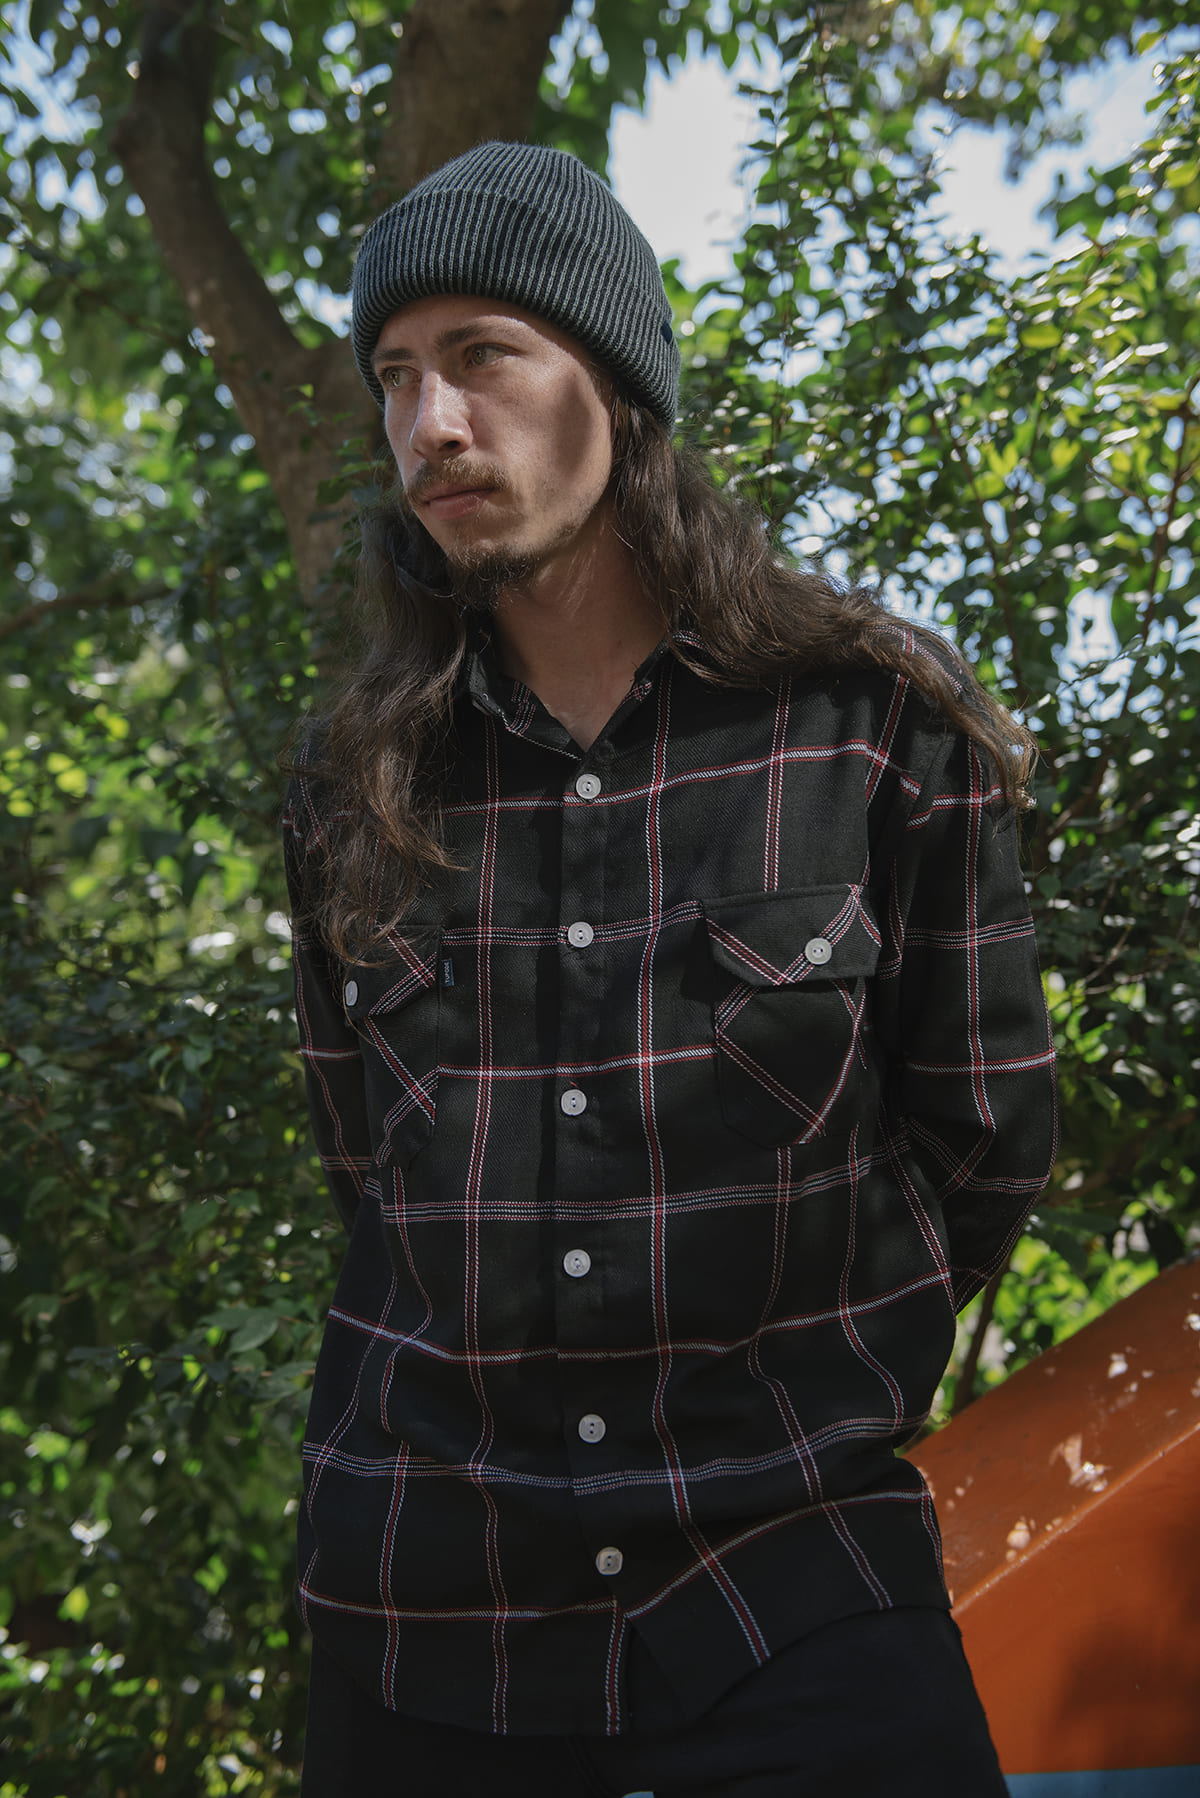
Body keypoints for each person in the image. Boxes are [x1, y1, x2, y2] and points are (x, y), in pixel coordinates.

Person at [283, 141, 1057, 1796]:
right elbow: (367, 1158)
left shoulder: (873, 724)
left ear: (619, 387)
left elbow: (983, 1129)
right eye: (396, 376)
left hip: (794, 1575)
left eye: (484, 355)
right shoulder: (354, 784)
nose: (430, 424)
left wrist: (803, 1369)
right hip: (424, 1600)